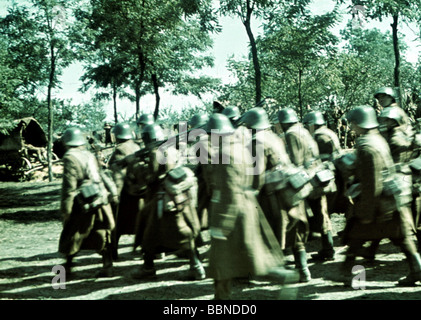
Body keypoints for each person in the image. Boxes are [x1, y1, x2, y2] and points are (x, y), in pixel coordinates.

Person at [197, 113, 298, 299]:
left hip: (231, 212)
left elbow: (227, 190)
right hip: (247, 207)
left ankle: (285, 277)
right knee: (236, 259)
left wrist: (223, 223)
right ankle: (221, 297)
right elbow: (257, 180)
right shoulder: (242, 149)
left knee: (244, 259)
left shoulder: (223, 154)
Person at [342, 105, 421, 286]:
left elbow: (372, 182)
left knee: (357, 234)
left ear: (358, 123)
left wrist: (366, 211)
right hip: (390, 198)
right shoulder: (377, 139)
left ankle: (346, 273)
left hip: (379, 202)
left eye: (352, 123)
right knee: (401, 238)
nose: (351, 127)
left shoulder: (367, 146)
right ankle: (417, 270)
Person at [240, 108, 310, 282]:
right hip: (290, 187)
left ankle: (274, 272)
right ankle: (303, 269)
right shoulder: (274, 137)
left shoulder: (256, 142)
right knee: (295, 230)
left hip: (274, 194)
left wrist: (252, 192)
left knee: (271, 230)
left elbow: (258, 173)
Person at [132, 123, 205, 281]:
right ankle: (195, 265)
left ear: (147, 138)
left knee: (148, 230)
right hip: (180, 195)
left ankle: (148, 267)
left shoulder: (154, 151)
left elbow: (152, 178)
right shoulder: (172, 149)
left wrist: (139, 168)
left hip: (163, 197)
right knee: (185, 229)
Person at [58, 127, 116, 278]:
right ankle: (107, 265)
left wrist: (66, 209)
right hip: (99, 197)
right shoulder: (89, 154)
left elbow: (69, 187)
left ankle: (68, 269)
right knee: (99, 231)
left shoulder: (70, 157)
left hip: (82, 202)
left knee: (72, 234)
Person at [277, 108, 316, 281]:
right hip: (309, 177)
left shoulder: (291, 134)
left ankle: (301, 269)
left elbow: (295, 159)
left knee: (293, 223)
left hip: (296, 181)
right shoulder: (303, 130)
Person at [302, 111, 340, 261]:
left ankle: (328, 248)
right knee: (323, 213)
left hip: (325, 177)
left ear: (312, 124)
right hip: (333, 175)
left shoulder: (320, 137)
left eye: (307, 124)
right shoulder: (328, 132)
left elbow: (320, 159)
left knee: (321, 213)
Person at [108, 123, 141, 259]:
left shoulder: (120, 149)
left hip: (125, 192)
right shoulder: (136, 146)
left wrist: (115, 194)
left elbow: (118, 174)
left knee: (115, 224)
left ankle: (112, 253)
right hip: (138, 189)